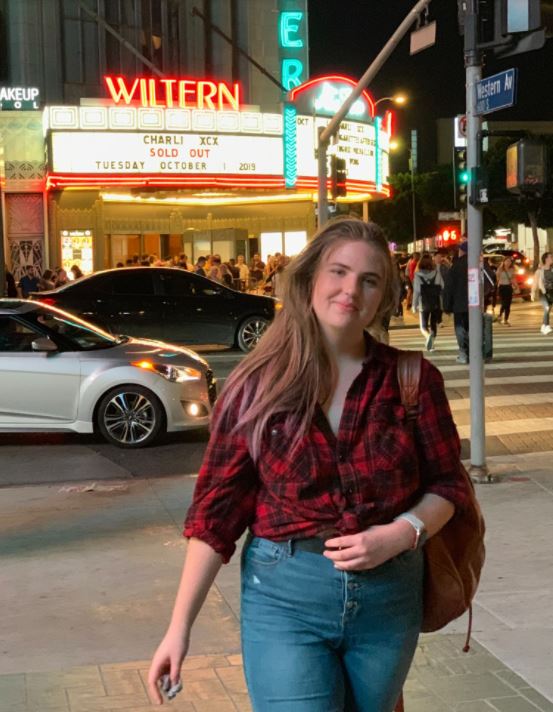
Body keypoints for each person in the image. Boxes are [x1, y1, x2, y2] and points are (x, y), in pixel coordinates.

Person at [147, 218, 472, 712]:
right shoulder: (257, 387)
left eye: (369, 280)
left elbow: (449, 485)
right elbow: (214, 516)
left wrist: (402, 532)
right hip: (286, 596)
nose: (350, 290)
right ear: (309, 280)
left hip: (390, 596)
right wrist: (178, 627)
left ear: (385, 295)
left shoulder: (412, 380)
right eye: (338, 272)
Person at [443, 241, 469, 364]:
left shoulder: (456, 266)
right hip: (475, 304)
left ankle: (463, 353)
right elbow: (490, 281)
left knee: (460, 328)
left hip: (459, 304)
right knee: (472, 328)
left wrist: (447, 306)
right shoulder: (479, 263)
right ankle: (473, 352)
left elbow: (448, 288)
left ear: (462, 251)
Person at [411, 252, 444, 351]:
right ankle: (432, 343)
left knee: (423, 327)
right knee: (433, 324)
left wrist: (414, 305)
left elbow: (416, 291)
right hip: (435, 303)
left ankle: (428, 336)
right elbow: (442, 286)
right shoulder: (437, 273)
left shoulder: (417, 275)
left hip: (423, 303)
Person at [534, 251, 553, 335]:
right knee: (547, 308)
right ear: (546, 259)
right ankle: (547, 326)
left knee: (548, 310)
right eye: (550, 257)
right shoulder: (539, 271)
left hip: (551, 292)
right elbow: (535, 282)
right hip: (543, 292)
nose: (552, 258)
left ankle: (543, 325)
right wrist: (532, 292)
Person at [496, 256, 517, 326]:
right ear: (504, 262)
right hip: (502, 287)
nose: (508, 262)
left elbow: (513, 279)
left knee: (508, 304)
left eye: (509, 261)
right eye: (507, 261)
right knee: (504, 303)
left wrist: (516, 286)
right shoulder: (500, 269)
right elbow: (497, 279)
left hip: (508, 287)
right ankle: (500, 314)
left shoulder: (512, 270)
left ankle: (506, 319)